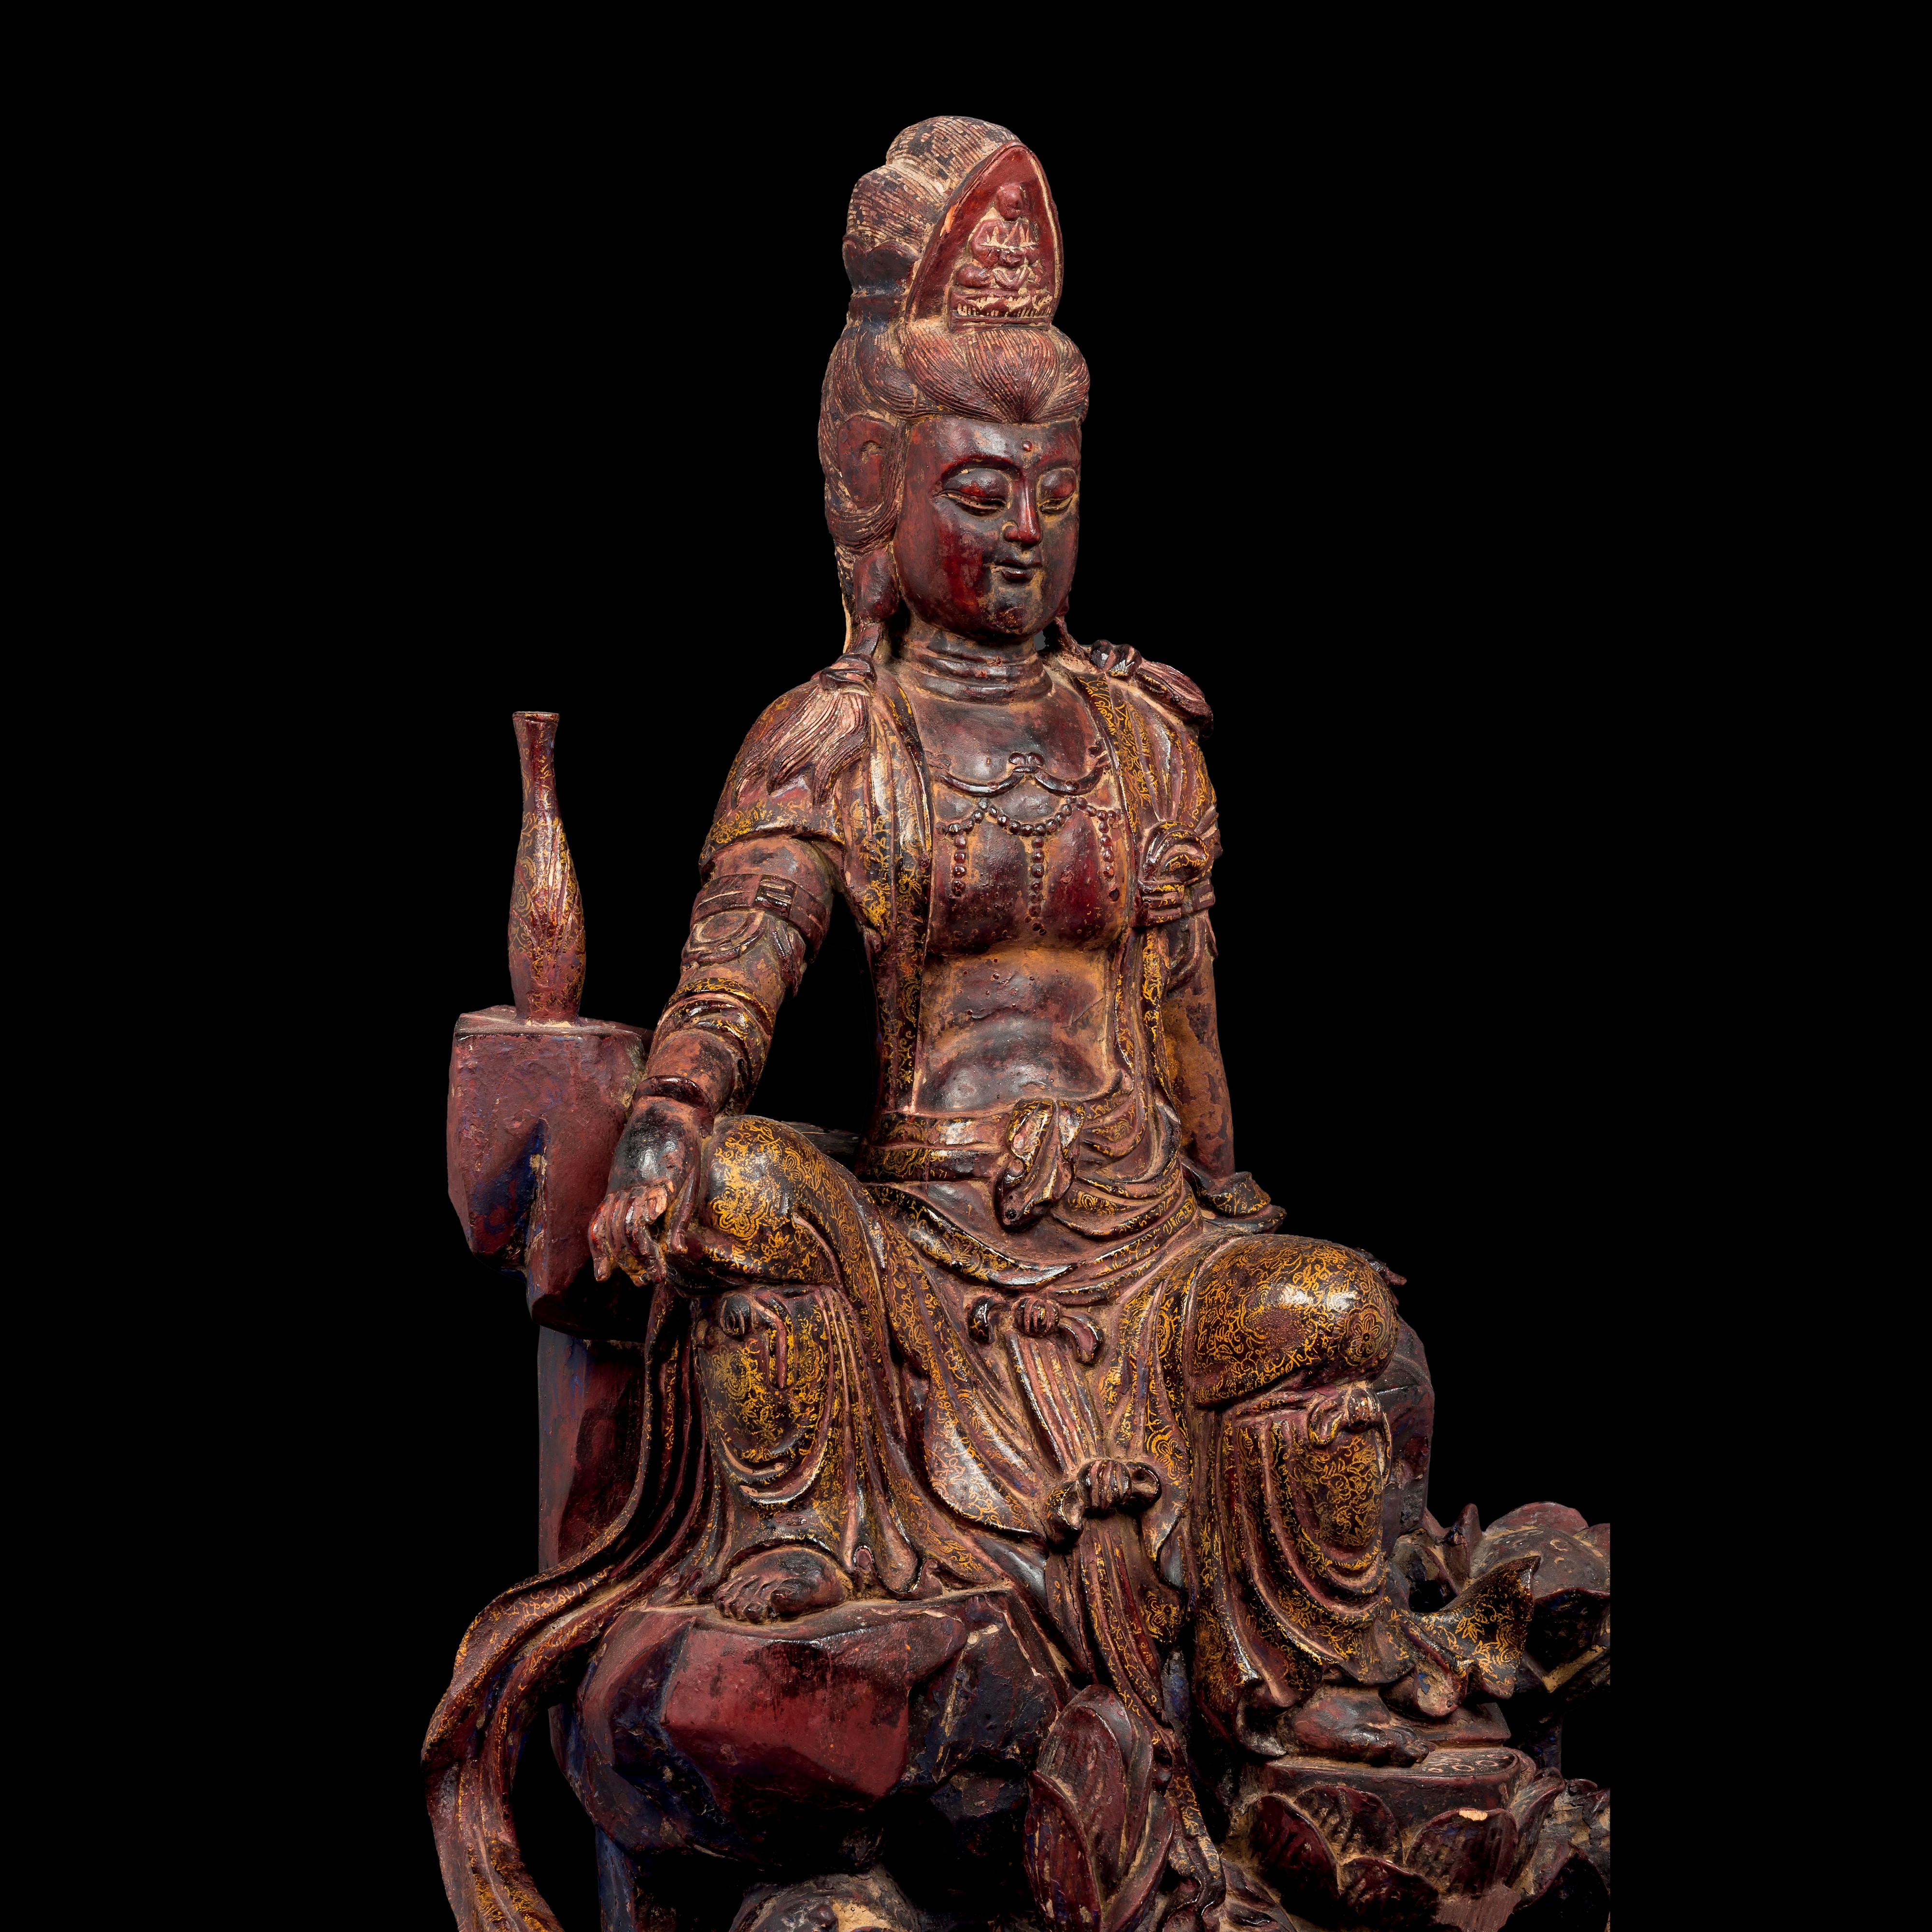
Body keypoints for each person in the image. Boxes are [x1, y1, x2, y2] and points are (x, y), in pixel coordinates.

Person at [428, 116, 1532, 1931]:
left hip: (1136, 1248)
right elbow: (738, 973)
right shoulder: (834, 737)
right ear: (879, 497)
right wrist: (672, 1125)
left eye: (1057, 491)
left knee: (1330, 1308)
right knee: (753, 1200)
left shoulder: (1144, 741)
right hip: (921, 1255)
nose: (1025, 533)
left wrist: (1233, 1213)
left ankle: (1291, 1683)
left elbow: (1191, 1058)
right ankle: (806, 1562)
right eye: (979, 491)